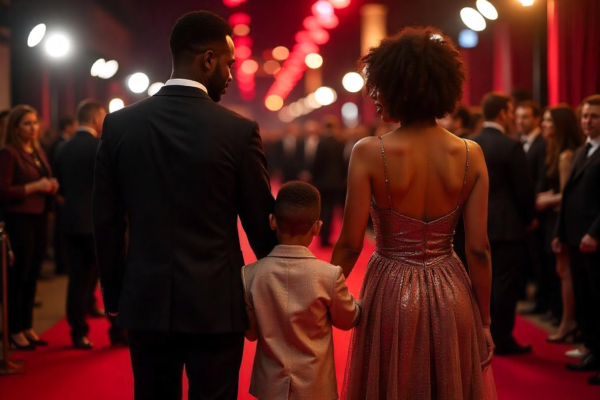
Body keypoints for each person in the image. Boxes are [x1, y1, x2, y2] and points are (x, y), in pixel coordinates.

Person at [93, 11, 277, 400]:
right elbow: (261, 225)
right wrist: (278, 287)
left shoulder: (120, 126)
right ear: (207, 60)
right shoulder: (238, 131)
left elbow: (107, 222)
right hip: (216, 303)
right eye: (228, 64)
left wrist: (114, 294)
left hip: (145, 299)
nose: (230, 75)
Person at [332, 27, 497, 399]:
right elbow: (479, 249)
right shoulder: (471, 153)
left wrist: (327, 297)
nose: (373, 96)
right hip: (453, 290)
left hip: (389, 290)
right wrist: (484, 321)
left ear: (399, 87)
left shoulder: (369, 151)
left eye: (377, 87)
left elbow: (349, 243)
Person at [242, 181, 361, 400]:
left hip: (269, 387)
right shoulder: (329, 276)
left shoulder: (250, 274)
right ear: (317, 228)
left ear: (272, 222)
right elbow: (348, 319)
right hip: (316, 386)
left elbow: (250, 333)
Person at [54, 100, 125, 349]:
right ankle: (117, 331)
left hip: (70, 222)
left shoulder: (62, 148)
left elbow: (57, 185)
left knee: (76, 279)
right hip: (98, 223)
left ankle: (77, 332)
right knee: (109, 277)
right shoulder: (101, 147)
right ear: (96, 119)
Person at [473, 92, 537, 355]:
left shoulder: (469, 142)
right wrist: (529, 217)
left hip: (475, 222)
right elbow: (523, 189)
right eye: (511, 112)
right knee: (504, 283)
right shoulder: (511, 145)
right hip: (507, 226)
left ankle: (477, 335)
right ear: (502, 114)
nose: (512, 117)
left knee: (476, 280)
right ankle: (502, 338)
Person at [0, 105, 59, 350]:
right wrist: (36, 186)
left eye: (35, 122)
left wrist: (51, 185)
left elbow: (44, 178)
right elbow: (3, 191)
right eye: (27, 123)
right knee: (19, 277)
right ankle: (14, 329)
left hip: (39, 216)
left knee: (33, 274)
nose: (33, 127)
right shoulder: (8, 153)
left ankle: (27, 326)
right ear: (15, 127)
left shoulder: (36, 150)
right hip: (19, 219)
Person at [553, 94, 600, 385]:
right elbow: (569, 195)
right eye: (584, 116)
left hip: (594, 239)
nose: (587, 121)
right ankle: (593, 350)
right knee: (585, 300)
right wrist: (559, 232)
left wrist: (595, 233)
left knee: (599, 299)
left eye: (594, 116)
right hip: (575, 238)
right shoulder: (584, 149)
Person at [536, 105, 582, 343]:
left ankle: (568, 323)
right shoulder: (555, 150)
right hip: (556, 218)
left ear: (560, 125)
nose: (543, 125)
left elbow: (567, 196)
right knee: (562, 272)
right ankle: (568, 321)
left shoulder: (565, 155)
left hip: (562, 220)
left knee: (566, 273)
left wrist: (546, 200)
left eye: (548, 121)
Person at [515, 100, 549, 316]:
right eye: (518, 117)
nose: (520, 121)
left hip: (540, 212)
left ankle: (544, 302)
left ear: (537, 119)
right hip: (528, 211)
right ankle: (540, 300)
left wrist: (532, 212)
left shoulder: (542, 143)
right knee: (534, 260)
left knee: (542, 260)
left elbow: (540, 180)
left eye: (525, 116)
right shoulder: (522, 141)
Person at [312, 115, 347, 247]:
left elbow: (317, 163)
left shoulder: (321, 142)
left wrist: (314, 179)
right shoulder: (340, 143)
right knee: (331, 210)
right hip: (336, 182)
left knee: (323, 210)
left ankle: (323, 237)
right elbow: (343, 163)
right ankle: (327, 238)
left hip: (322, 182)